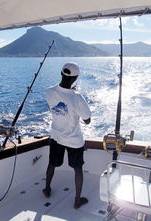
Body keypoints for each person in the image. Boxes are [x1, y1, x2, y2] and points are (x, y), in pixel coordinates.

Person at [43, 62, 91, 209]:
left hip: (56, 136)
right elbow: (87, 120)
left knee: (52, 163)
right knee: (77, 169)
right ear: (75, 78)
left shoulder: (49, 92)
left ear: (61, 73)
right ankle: (77, 200)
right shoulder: (77, 98)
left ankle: (47, 189)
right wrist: (74, 95)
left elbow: (56, 103)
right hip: (74, 140)